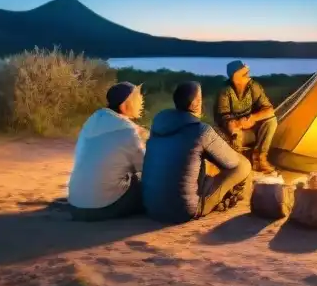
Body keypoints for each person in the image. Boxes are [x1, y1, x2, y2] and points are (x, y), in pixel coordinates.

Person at [142, 81, 252, 224]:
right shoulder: (200, 130)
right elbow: (232, 163)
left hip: (151, 207)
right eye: (200, 99)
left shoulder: (158, 123)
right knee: (243, 165)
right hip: (182, 211)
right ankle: (229, 199)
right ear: (196, 103)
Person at [67, 82, 148, 222]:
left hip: (75, 205)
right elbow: (146, 166)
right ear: (123, 105)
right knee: (146, 182)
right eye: (136, 100)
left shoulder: (92, 121)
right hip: (104, 208)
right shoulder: (128, 130)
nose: (140, 104)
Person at [214, 60, 278, 173]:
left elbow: (269, 109)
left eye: (247, 73)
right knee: (235, 133)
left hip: (250, 126)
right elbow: (223, 116)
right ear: (234, 77)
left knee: (271, 121)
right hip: (232, 128)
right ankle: (238, 167)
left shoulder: (253, 86)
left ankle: (260, 159)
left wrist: (253, 118)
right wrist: (236, 124)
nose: (248, 76)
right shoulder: (225, 90)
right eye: (244, 74)